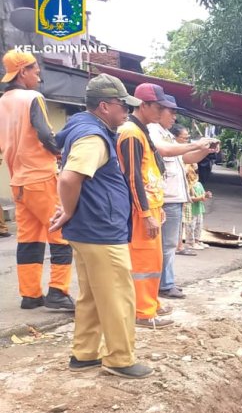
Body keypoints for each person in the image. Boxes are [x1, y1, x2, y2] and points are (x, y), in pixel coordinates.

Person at [49, 73, 152, 379]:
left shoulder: (86, 128)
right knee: (119, 294)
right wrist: (67, 210)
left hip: (89, 229)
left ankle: (85, 354)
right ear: (105, 106)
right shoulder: (93, 137)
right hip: (100, 231)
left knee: (93, 295)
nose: (127, 111)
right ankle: (120, 358)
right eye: (123, 105)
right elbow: (69, 177)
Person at [0, 50, 75, 311]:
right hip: (41, 177)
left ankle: (30, 295)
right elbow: (45, 133)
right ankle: (57, 291)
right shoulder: (33, 97)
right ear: (23, 72)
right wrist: (61, 151)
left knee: (29, 240)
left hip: (18, 182)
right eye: (35, 69)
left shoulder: (3, 101)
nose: (38, 73)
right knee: (62, 234)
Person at [117, 83, 175, 329]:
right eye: (159, 107)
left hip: (150, 207)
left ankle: (150, 302)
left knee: (153, 261)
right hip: (141, 211)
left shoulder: (141, 131)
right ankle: (143, 311)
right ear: (144, 105)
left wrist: (156, 206)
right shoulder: (131, 133)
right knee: (143, 262)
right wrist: (144, 213)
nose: (162, 111)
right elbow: (132, 177)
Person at [147, 104, 214, 300]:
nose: (174, 117)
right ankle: (164, 285)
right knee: (166, 245)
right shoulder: (153, 132)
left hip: (172, 198)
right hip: (165, 199)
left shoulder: (166, 134)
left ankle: (163, 283)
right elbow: (167, 152)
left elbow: (185, 158)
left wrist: (205, 151)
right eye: (172, 112)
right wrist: (196, 144)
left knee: (167, 244)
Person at [183, 161, 210, 251]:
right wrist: (202, 197)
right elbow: (190, 199)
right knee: (190, 226)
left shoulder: (198, 184)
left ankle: (197, 241)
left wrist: (206, 196)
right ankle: (190, 243)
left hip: (199, 209)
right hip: (191, 209)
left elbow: (203, 196)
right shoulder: (188, 186)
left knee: (199, 225)